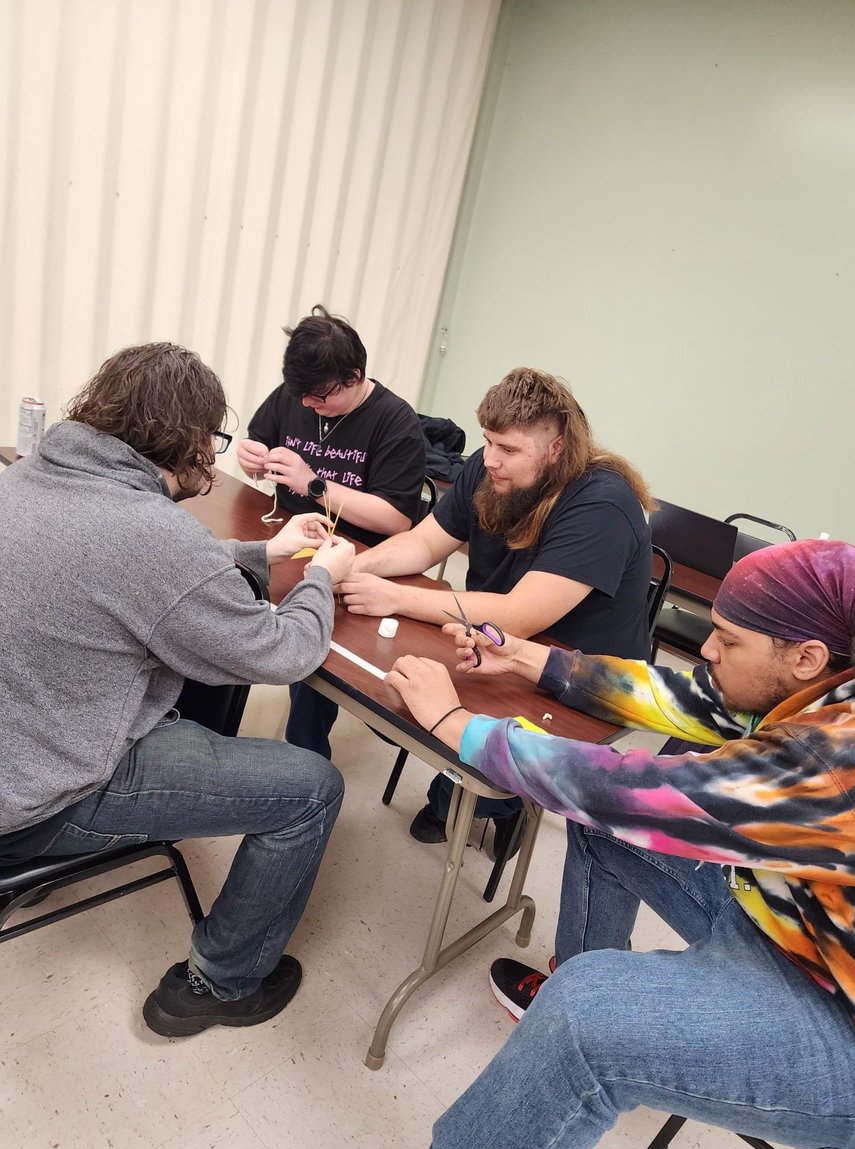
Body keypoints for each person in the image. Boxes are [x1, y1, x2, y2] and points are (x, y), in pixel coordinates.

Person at [279, 538, 855, 1149]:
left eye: (726, 639)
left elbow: (632, 792)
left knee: (587, 1019)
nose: (706, 650)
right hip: (800, 930)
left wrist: (458, 723)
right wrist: (526, 657)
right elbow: (682, 697)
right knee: (603, 843)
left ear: (804, 655)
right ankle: (565, 1008)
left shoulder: (850, 757)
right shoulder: (835, 680)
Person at [0, 343, 356, 1038]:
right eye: (213, 442)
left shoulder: (29, 475)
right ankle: (221, 983)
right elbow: (284, 652)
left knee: (199, 688)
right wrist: (323, 579)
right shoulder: (150, 532)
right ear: (189, 439)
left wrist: (265, 554)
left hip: (16, 741)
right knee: (313, 788)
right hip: (39, 797)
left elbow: (132, 567)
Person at [334, 366, 654, 851]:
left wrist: (396, 596)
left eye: (508, 449)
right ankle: (471, 796)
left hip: (583, 679)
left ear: (556, 449)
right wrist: (350, 566)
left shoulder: (602, 504)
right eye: (488, 441)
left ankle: (502, 806)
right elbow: (422, 544)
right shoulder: (486, 470)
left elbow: (522, 613)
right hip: (495, 644)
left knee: (474, 781)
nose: (491, 460)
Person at [237, 305, 426, 766]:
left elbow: (397, 519)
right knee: (228, 602)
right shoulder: (297, 394)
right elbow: (259, 441)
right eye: (300, 395)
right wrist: (252, 457)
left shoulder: (396, 422)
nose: (306, 406)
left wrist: (313, 484)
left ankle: (305, 763)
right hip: (284, 534)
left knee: (313, 646)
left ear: (354, 376)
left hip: (351, 555)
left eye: (320, 398)